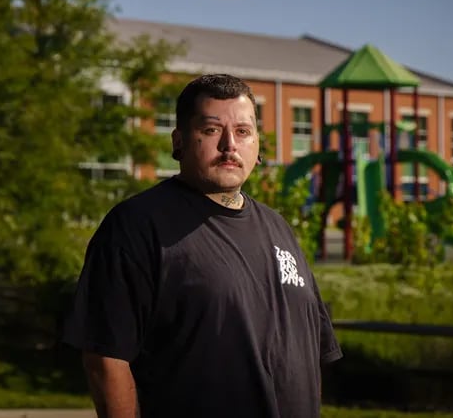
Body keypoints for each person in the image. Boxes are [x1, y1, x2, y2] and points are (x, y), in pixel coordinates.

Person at [64, 73, 342, 418]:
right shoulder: (137, 226)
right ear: (178, 141)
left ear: (257, 146)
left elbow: (312, 350)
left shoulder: (279, 228)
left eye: (243, 132)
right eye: (211, 130)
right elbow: (106, 359)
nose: (230, 145)